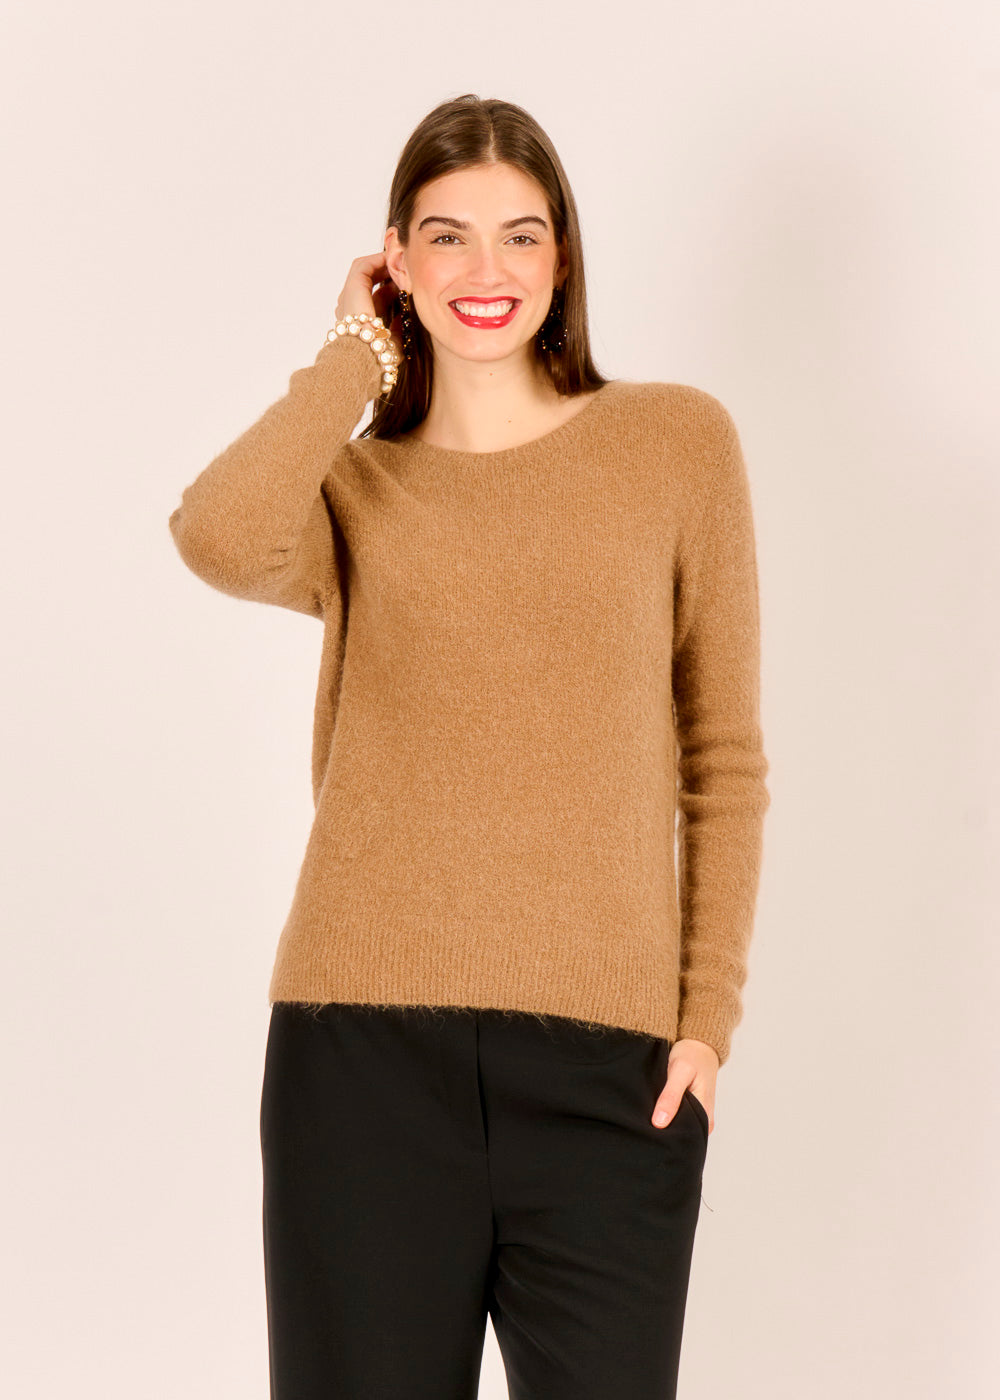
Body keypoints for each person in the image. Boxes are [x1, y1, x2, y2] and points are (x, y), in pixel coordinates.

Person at [168, 93, 770, 1400]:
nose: (484, 269)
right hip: (361, 1061)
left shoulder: (677, 445)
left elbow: (722, 760)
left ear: (563, 256)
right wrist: (351, 358)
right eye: (446, 236)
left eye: (519, 234)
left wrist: (705, 1023)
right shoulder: (353, 488)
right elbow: (215, 532)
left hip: (612, 1078)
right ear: (396, 259)